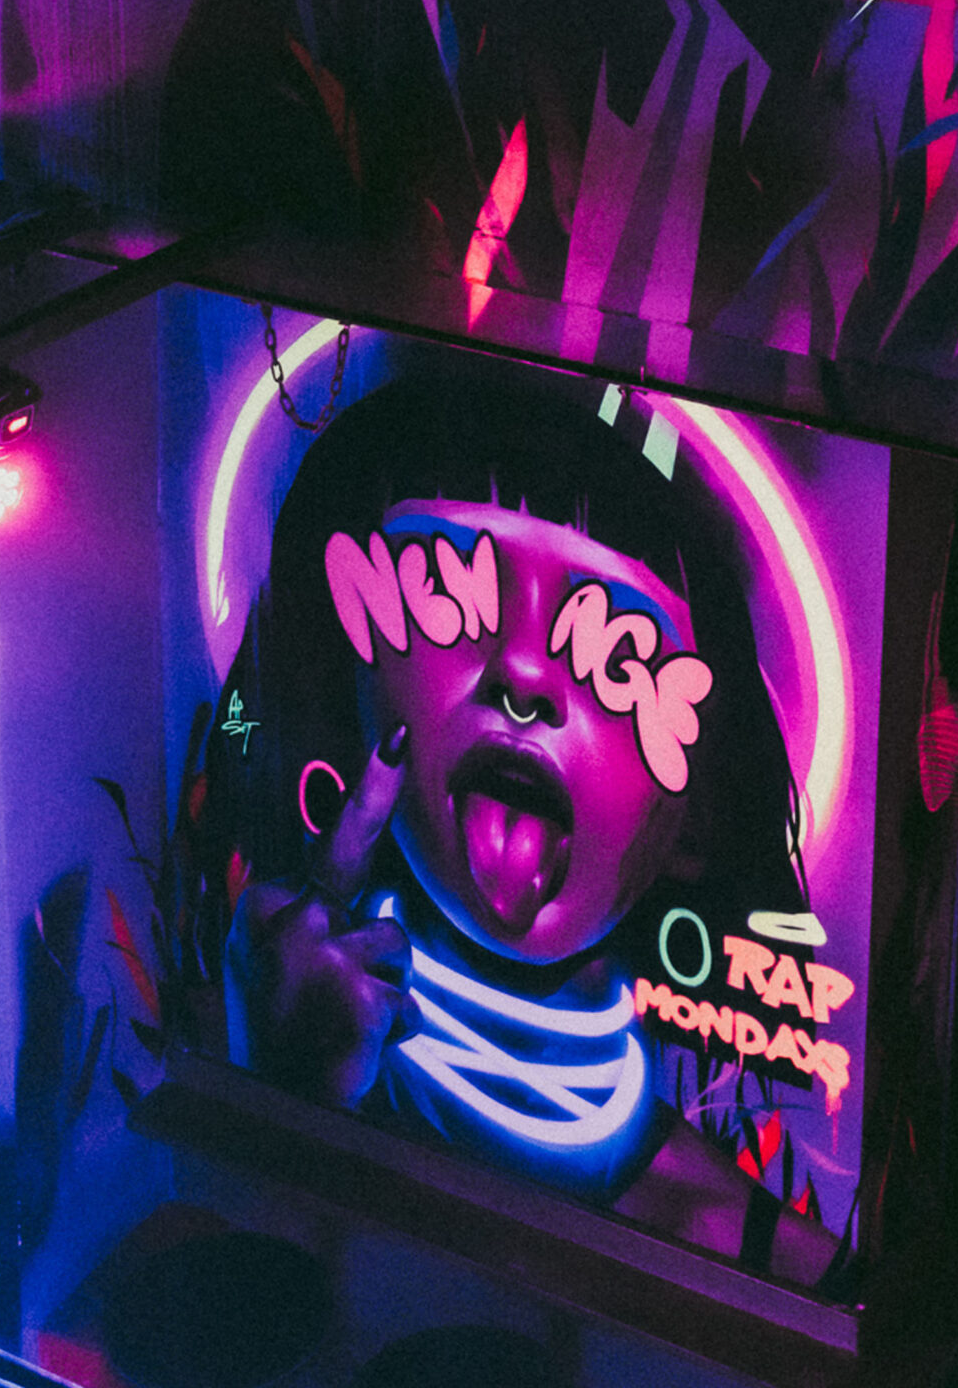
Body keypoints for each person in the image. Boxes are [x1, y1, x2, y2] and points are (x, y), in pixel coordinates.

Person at [209, 359, 837, 1284]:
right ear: (359, 681)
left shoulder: (786, 1275)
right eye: (458, 589)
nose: (524, 674)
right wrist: (288, 1100)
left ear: (699, 817)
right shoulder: (283, 1046)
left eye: (611, 641)